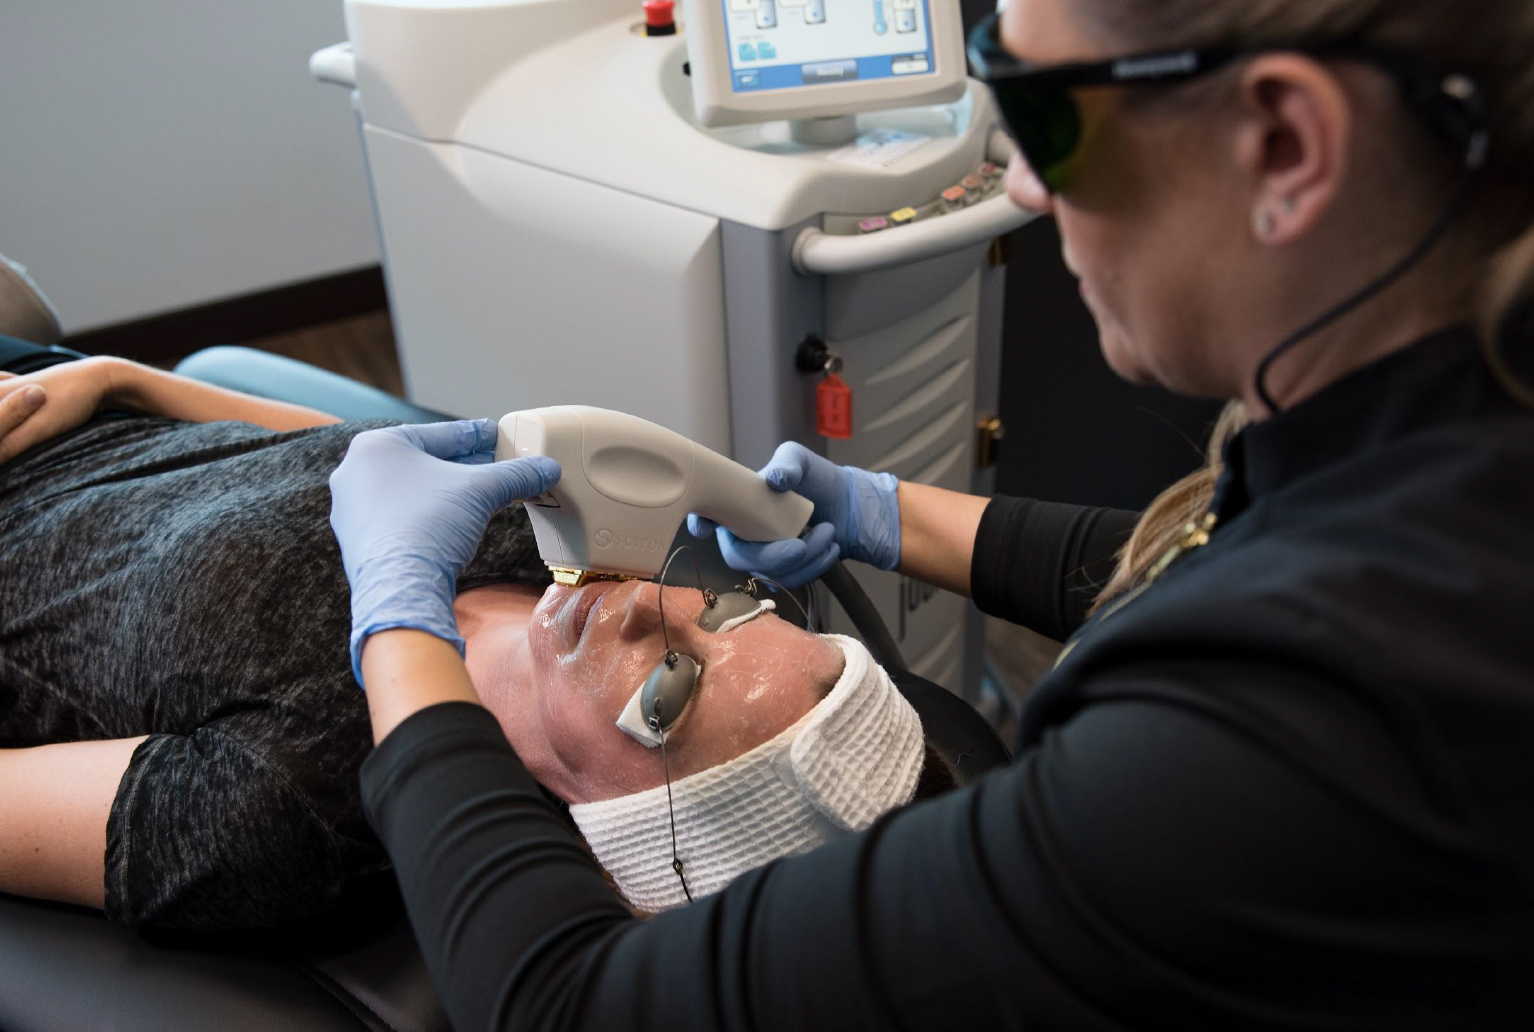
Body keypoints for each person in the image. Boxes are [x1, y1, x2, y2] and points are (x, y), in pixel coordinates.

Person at [318, 0, 1534, 1027]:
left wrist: (396, 620)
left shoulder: (1290, 742)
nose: (1016, 177)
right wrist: (879, 514)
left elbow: (564, 1008)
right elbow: (1198, 556)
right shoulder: (1435, 419)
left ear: (1282, 145)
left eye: (1042, 111)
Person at [0, 348, 933, 929]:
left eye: (670, 692)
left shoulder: (295, 806)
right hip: (60, 401)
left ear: (621, 847)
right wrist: (110, 379)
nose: (656, 609)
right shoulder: (552, 540)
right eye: (730, 612)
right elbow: (353, 458)